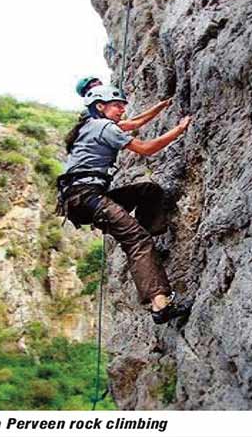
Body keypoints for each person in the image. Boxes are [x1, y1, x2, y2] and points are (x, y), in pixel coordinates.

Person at [56, 84, 192, 324]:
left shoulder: (92, 126)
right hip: (88, 197)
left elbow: (136, 123)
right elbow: (146, 149)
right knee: (137, 240)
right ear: (100, 106)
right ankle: (160, 306)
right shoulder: (103, 126)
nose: (122, 110)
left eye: (123, 106)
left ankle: (146, 249)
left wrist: (160, 107)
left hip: (80, 199)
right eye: (117, 106)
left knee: (148, 191)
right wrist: (180, 129)